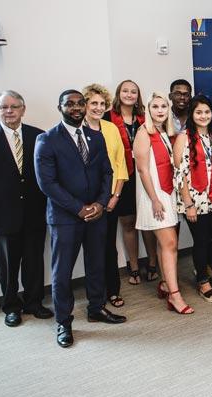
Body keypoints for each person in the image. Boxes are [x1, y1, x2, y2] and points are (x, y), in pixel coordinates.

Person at [35, 90, 126, 348]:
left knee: (96, 263)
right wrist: (79, 209)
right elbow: (47, 183)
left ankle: (96, 308)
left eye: (79, 103)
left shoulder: (96, 136)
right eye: (69, 104)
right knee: (62, 272)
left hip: (96, 213)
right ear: (60, 107)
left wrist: (99, 203)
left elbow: (107, 172)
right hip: (65, 217)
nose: (76, 108)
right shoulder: (47, 140)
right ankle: (64, 322)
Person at [0, 90, 50, 327]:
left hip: (34, 214)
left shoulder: (38, 136)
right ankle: (11, 307)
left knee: (34, 262)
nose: (9, 111)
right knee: (7, 266)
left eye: (14, 106)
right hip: (1, 217)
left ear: (23, 109)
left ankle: (34, 303)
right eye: (4, 107)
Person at [133, 92, 192, 314]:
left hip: (167, 193)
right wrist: (155, 200)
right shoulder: (143, 133)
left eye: (163, 107)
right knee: (170, 244)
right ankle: (175, 296)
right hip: (154, 196)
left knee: (164, 244)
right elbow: (142, 170)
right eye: (155, 107)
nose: (160, 110)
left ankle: (166, 284)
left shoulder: (164, 132)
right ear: (148, 110)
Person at [173, 95, 212, 303]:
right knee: (202, 241)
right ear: (192, 114)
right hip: (195, 199)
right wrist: (188, 203)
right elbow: (179, 174)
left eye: (207, 112)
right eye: (198, 112)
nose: (203, 116)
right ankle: (203, 281)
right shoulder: (183, 138)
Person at [103, 80, 160, 285]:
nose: (129, 94)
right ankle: (134, 266)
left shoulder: (146, 117)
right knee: (128, 222)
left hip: (145, 175)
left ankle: (152, 263)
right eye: (125, 91)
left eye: (133, 91)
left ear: (138, 96)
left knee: (148, 221)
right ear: (118, 94)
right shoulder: (107, 118)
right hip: (123, 177)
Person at [81, 84, 128, 308]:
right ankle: (95, 295)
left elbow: (120, 163)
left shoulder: (111, 128)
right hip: (85, 200)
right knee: (92, 249)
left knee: (109, 246)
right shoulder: (76, 129)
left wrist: (115, 195)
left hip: (110, 197)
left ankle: (113, 290)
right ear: (85, 105)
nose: (98, 108)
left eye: (102, 104)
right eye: (93, 103)